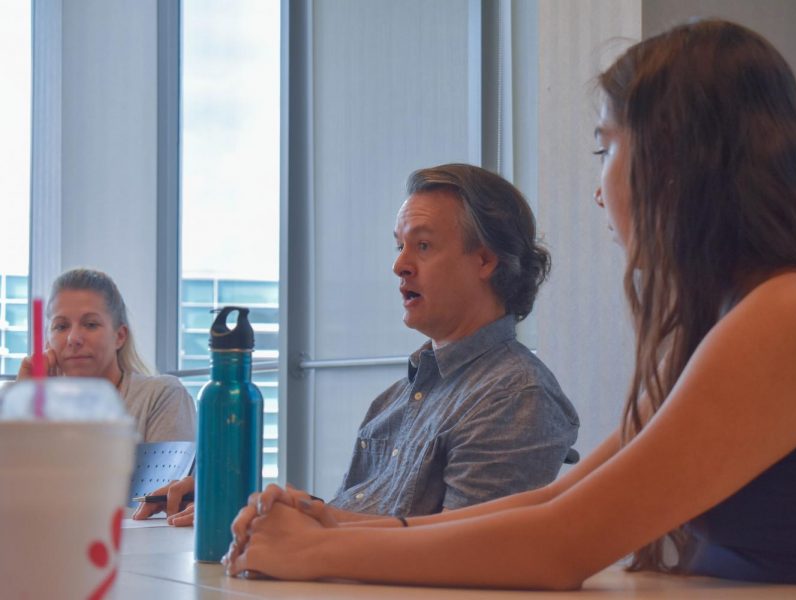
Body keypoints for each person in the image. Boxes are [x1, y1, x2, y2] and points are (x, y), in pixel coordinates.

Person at [222, 20, 796, 593]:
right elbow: (557, 501)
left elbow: (562, 545)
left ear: (672, 161)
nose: (600, 189)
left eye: (606, 149)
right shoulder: (739, 315)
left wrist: (314, 553)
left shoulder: (794, 313)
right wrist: (339, 523)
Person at [134, 163, 580, 526]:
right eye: (400, 246)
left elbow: (464, 553)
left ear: (485, 260)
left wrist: (297, 526)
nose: (400, 265)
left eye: (422, 246)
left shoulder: (517, 394)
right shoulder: (398, 397)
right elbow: (358, 516)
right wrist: (252, 506)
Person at [18, 268, 196, 443]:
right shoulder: (37, 407)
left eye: (90, 324)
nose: (73, 339)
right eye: (61, 327)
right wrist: (22, 406)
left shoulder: (161, 396)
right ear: (48, 341)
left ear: (119, 336)